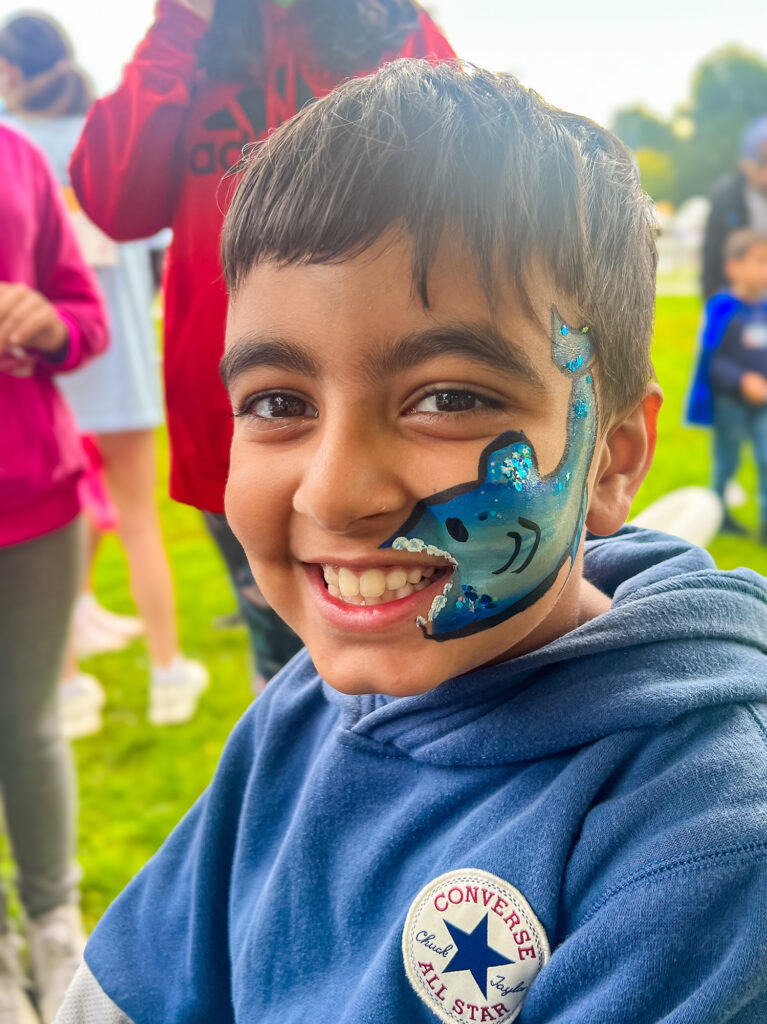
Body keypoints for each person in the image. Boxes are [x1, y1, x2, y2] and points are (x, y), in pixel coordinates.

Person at [56, 62, 767, 1023]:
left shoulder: (706, 839)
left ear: (610, 461)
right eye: (277, 403)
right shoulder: (297, 707)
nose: (336, 491)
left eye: (449, 399)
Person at [69, 0, 455, 690]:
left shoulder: (391, 24)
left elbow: (469, 195)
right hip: (237, 426)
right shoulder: (194, 43)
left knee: (425, 649)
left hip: (395, 418)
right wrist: (181, 22)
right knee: (284, 670)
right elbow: (113, 198)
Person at [0, 11, 209, 731]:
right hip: (109, 354)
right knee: (137, 521)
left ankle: (65, 684)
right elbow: (148, 234)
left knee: (71, 514)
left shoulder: (17, 149)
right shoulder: (96, 136)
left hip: (39, 369)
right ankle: (166, 672)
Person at [0, 122, 107, 1023]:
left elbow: (87, 316)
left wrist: (51, 321)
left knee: (30, 726)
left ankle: (51, 924)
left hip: (35, 491)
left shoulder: (20, 156)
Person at [688, 228, 767, 540]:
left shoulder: (764, 309)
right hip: (730, 404)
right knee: (727, 461)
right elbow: (713, 361)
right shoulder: (722, 309)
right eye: (760, 261)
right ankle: (717, 514)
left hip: (763, 405)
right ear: (733, 266)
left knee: (765, 458)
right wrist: (741, 380)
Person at [702, 115, 767, 299]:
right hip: (740, 298)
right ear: (744, 162)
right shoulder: (725, 198)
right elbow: (712, 261)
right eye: (762, 163)